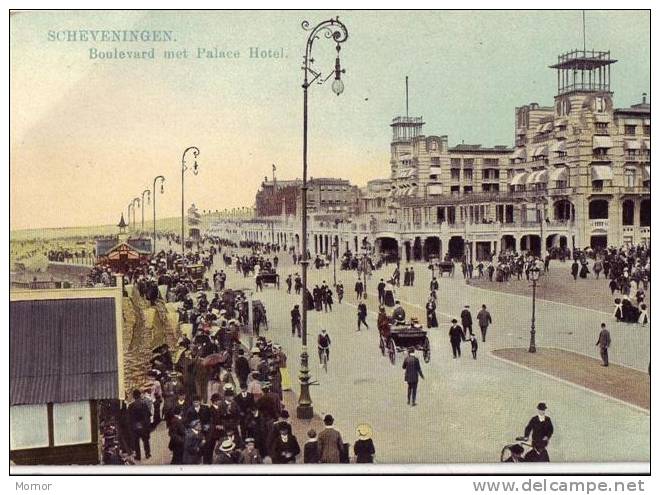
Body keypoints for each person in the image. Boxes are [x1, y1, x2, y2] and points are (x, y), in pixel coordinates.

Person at [127, 389, 152, 461]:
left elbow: (129, 418)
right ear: (139, 395)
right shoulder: (144, 404)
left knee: (136, 442)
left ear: (134, 396)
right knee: (145, 440)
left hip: (135, 426)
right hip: (143, 425)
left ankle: (138, 456)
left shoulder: (131, 406)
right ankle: (147, 453)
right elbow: (148, 415)